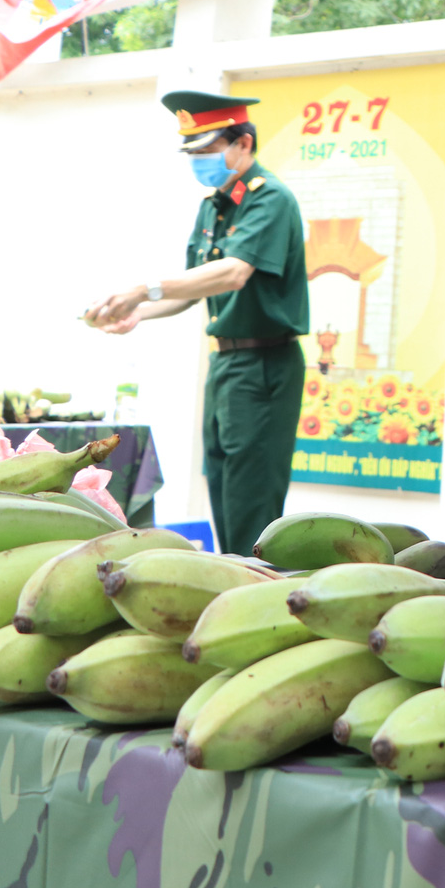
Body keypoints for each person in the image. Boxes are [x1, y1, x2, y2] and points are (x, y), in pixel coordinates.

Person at [85, 91, 309, 554]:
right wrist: (138, 313)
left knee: (252, 501)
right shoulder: (214, 206)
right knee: (225, 491)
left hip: (265, 363)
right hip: (226, 365)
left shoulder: (270, 199)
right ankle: (235, 581)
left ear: (243, 143)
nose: (200, 161)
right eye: (194, 153)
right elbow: (196, 288)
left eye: (208, 149)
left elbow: (233, 272)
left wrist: (143, 288)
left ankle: (255, 598)